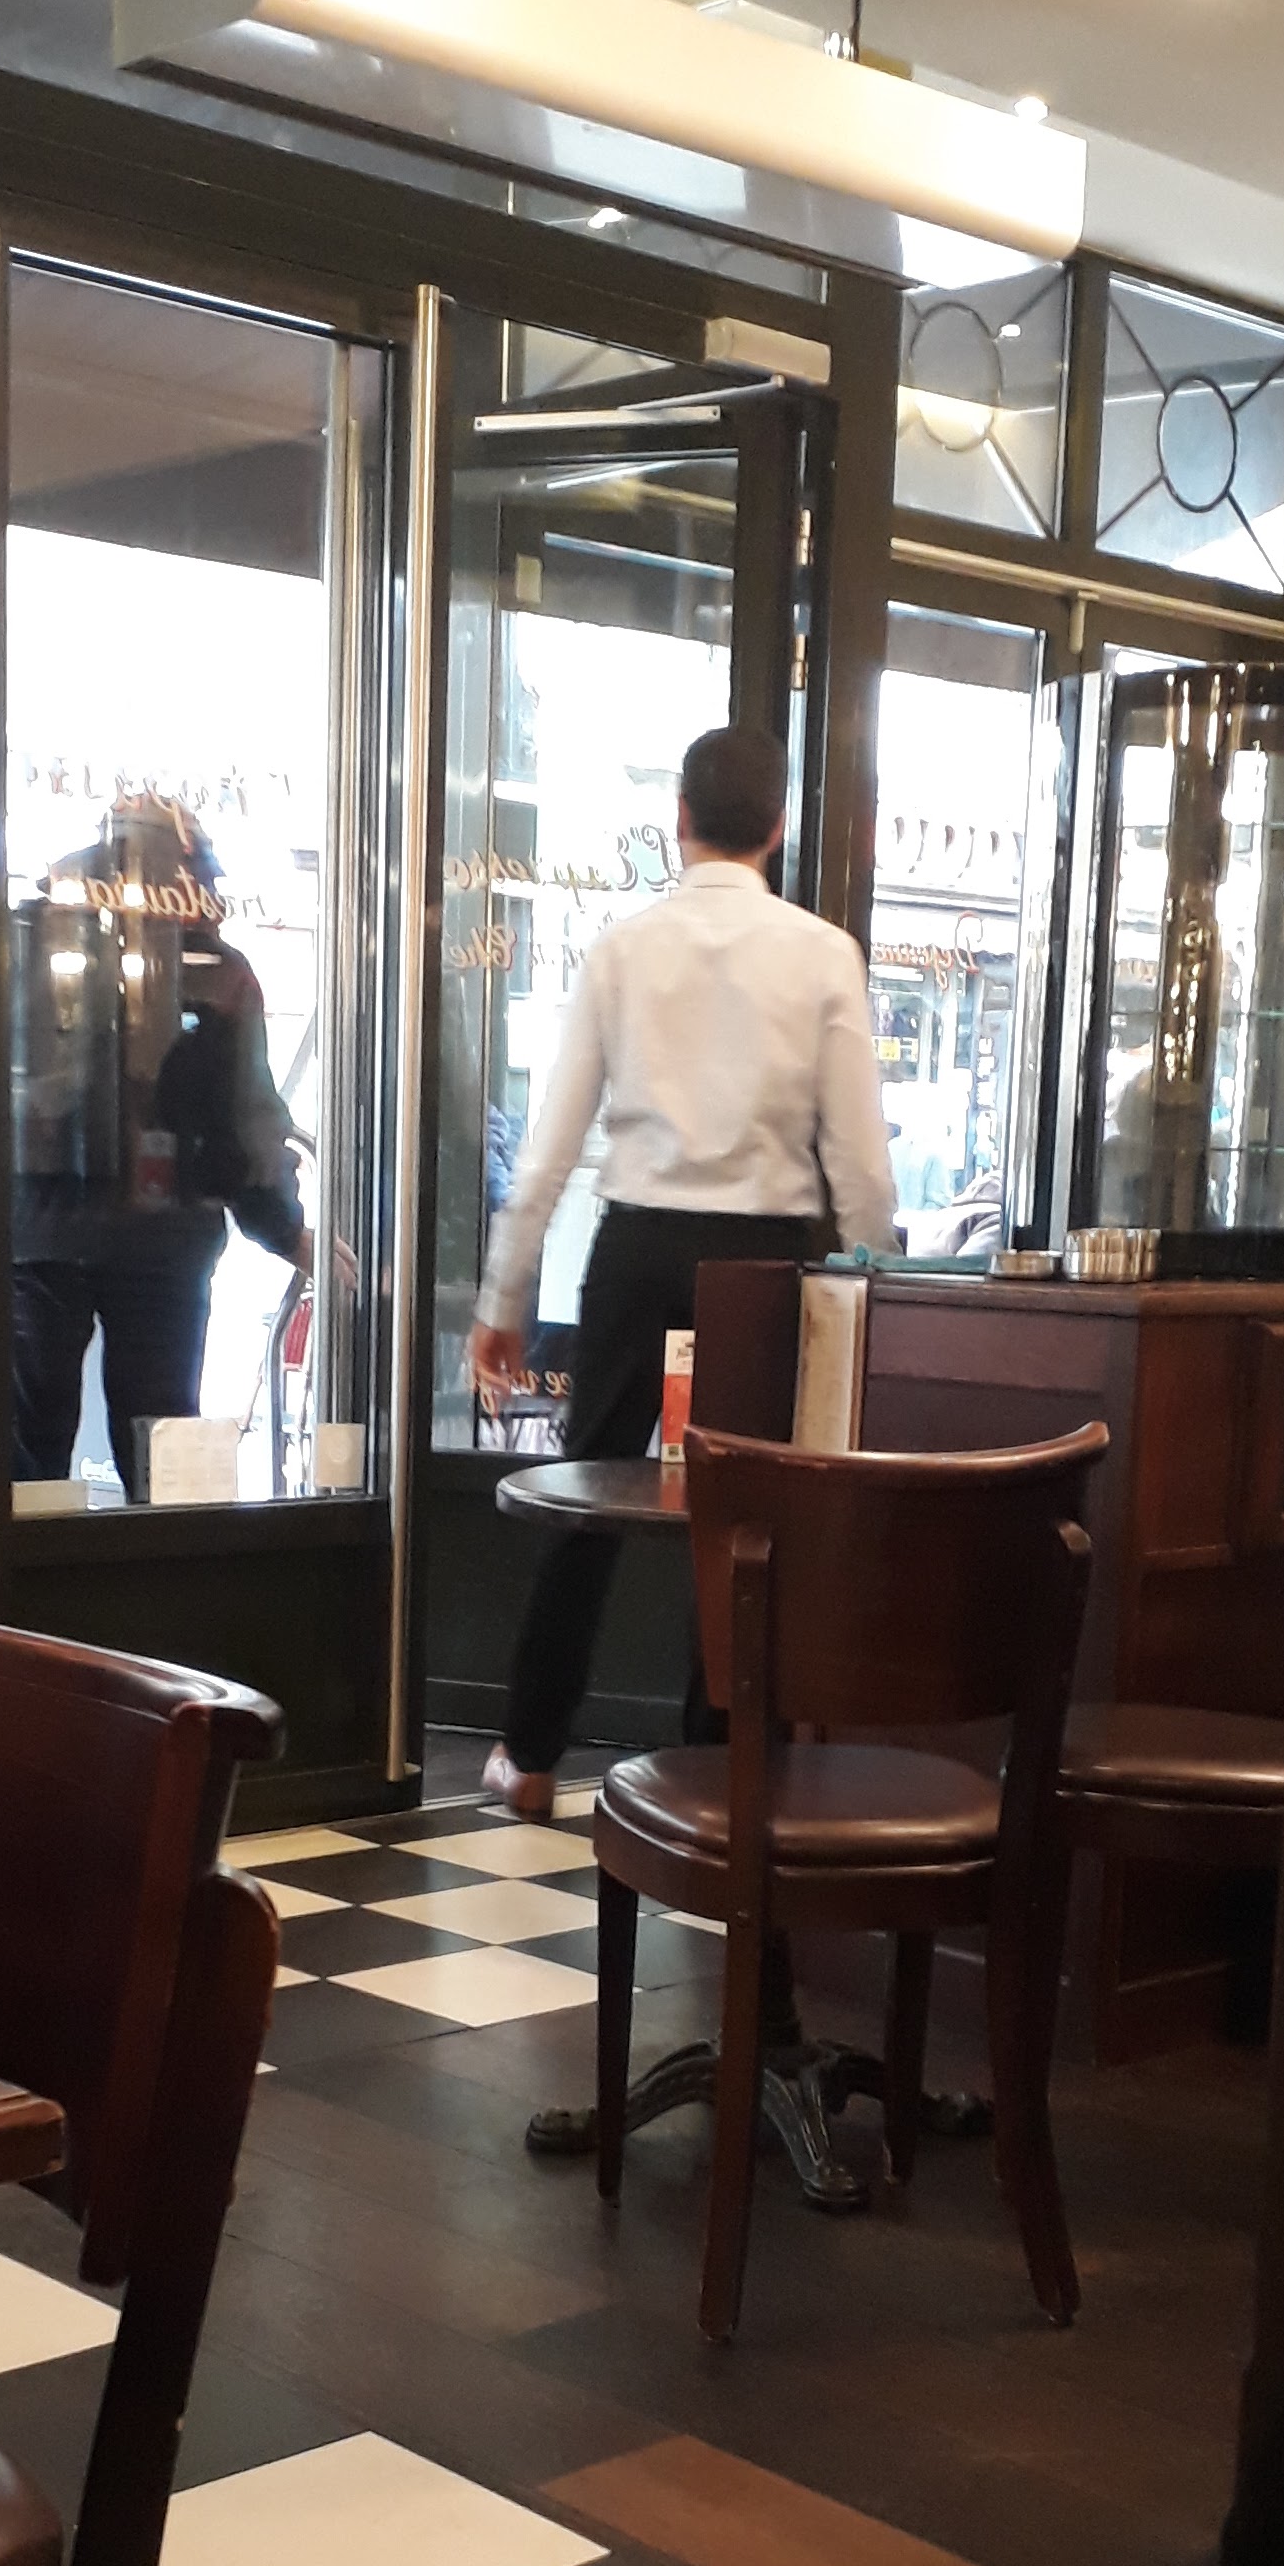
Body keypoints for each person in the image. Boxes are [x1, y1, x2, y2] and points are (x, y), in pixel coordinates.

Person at [468, 722, 900, 1813]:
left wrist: (503, 1297)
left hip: (637, 1247)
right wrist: (876, 1291)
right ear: (778, 827)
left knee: (587, 1490)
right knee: (746, 1515)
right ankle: (714, 1759)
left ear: (679, 822)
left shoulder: (623, 950)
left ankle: (530, 1755)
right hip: (764, 1260)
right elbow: (860, 1164)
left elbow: (550, 1148)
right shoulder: (824, 955)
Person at [11, 801, 313, 1499]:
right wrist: (282, 1227)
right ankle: (158, 1565)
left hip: (43, 1225)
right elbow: (245, 1117)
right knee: (160, 1446)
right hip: (161, 1230)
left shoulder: (33, 939)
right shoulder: (217, 970)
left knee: (32, 1448)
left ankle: (26, 1563)